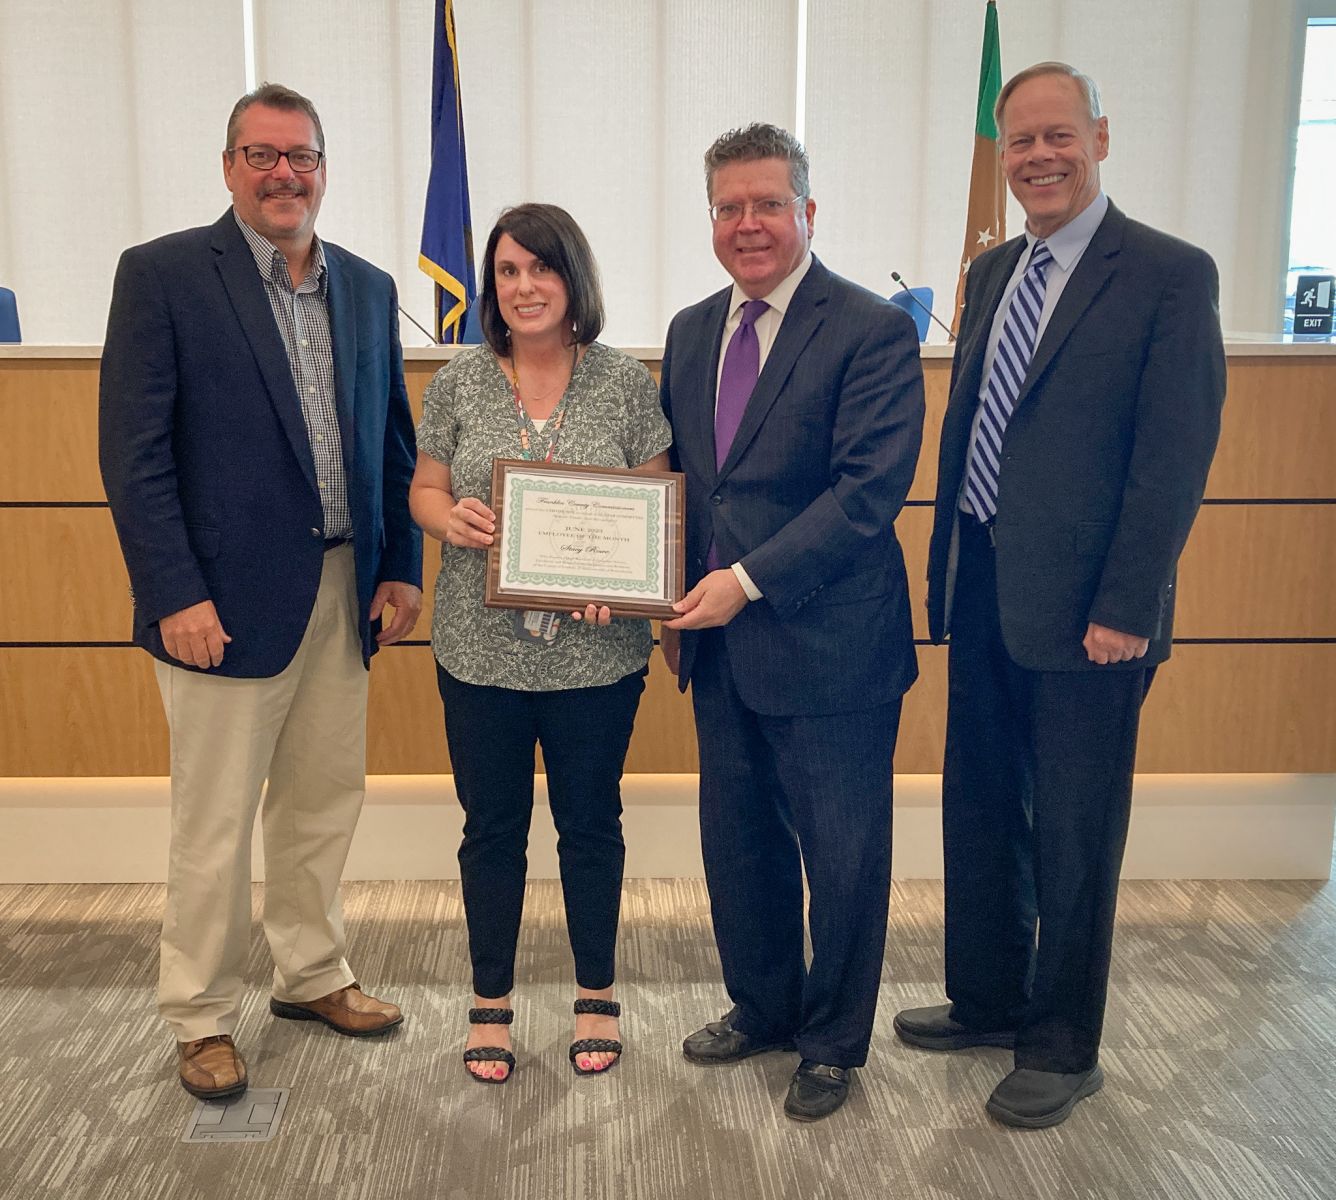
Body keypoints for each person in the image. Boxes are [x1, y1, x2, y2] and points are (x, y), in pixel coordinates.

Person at [893, 62, 1226, 1129]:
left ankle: (1062, 1041)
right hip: (985, 582)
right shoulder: (993, 272)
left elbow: (1173, 456)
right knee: (982, 804)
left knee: (1076, 829)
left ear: (1099, 136)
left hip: (1095, 613)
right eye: (1019, 141)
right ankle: (989, 997)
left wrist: (1130, 602)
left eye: (1057, 135)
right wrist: (946, 571)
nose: (1038, 156)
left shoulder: (1170, 274)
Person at [99, 83, 422, 1101]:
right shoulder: (162, 278)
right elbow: (134, 454)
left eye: (302, 155)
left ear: (325, 167)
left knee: (323, 802)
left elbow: (392, 441)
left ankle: (311, 972)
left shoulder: (366, 289)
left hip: (342, 589)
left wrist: (402, 564)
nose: (284, 174)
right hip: (220, 606)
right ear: (229, 166)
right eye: (262, 154)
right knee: (215, 819)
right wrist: (173, 593)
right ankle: (197, 1014)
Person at [659, 124, 925, 1121]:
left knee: (843, 855)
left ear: (808, 212)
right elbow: (686, 486)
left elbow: (867, 493)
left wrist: (745, 581)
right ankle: (762, 1004)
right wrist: (670, 598)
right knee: (740, 844)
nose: (748, 223)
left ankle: (830, 1042)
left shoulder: (869, 329)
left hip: (830, 645)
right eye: (729, 207)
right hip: (719, 649)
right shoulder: (690, 331)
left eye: (768, 203)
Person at [409, 203, 671, 1084]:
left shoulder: (627, 384)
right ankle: (491, 1003)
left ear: (573, 280)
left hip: (596, 660)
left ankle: (595, 991)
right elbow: (424, 490)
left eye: (541, 268)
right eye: (507, 271)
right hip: (477, 653)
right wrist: (451, 518)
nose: (523, 287)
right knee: (492, 829)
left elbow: (655, 511)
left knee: (590, 826)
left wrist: (622, 586)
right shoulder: (459, 381)